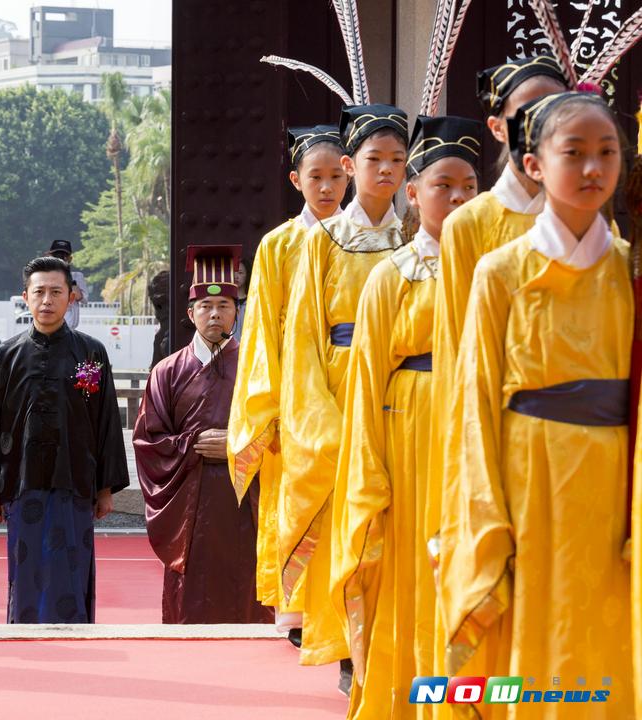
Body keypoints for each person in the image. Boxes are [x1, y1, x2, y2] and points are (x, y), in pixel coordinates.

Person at [439, 91, 633, 717]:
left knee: (607, 634)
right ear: (533, 164)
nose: (592, 169)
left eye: (607, 153)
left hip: (614, 485)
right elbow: (473, 400)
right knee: (532, 636)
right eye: (572, 153)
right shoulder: (500, 271)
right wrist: (485, 519)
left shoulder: (630, 272)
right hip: (528, 484)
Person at [425, 55, 568, 689]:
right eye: (527, 115)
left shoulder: (591, 218)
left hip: (579, 444)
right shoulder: (472, 226)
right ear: (499, 126)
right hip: (502, 436)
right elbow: (458, 352)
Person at [331, 115, 480, 718]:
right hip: (410, 429)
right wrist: (371, 470)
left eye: (470, 185)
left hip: (476, 428)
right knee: (413, 567)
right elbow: (367, 382)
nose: (459, 197)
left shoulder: (498, 270)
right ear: (413, 193)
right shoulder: (391, 277)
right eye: (444, 185)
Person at [279, 104, 407, 690]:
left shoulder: (413, 236)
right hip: (339, 382)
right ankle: (353, 652)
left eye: (397, 161)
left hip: (402, 390)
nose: (386, 171)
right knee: (350, 524)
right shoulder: (323, 240)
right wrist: (318, 419)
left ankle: (395, 638)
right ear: (352, 166)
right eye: (375, 160)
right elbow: (302, 333)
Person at [228, 124, 347, 642]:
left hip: (347, 384)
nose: (327, 187)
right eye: (315, 176)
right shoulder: (278, 244)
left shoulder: (365, 239)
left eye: (336, 176)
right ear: (295, 180)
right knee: (297, 495)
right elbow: (259, 332)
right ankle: (299, 609)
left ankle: (346, 599)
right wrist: (267, 406)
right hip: (295, 393)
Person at [0, 256, 129, 623]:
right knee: (26, 568)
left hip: (76, 480)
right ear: (25, 296)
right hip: (22, 483)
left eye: (56, 292)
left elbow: (103, 419)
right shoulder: (8, 355)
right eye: (39, 292)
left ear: (71, 297)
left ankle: (75, 633)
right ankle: (23, 633)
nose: (47, 300)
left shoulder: (90, 353)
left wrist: (105, 489)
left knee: (72, 565)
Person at [134, 245, 273, 625]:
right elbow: (149, 442)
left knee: (245, 587)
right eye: (206, 307)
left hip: (244, 501)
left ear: (237, 312)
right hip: (189, 510)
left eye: (225, 306)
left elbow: (280, 432)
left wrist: (236, 445)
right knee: (191, 598)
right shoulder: (167, 371)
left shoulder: (258, 369)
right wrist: (192, 446)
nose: (215, 314)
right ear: (190, 312)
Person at [47, 239, 89, 330]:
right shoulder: (43, 277)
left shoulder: (77, 277)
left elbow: (83, 299)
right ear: (49, 257)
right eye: (56, 256)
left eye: (64, 256)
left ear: (70, 259)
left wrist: (69, 277)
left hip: (70, 329)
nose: (60, 259)